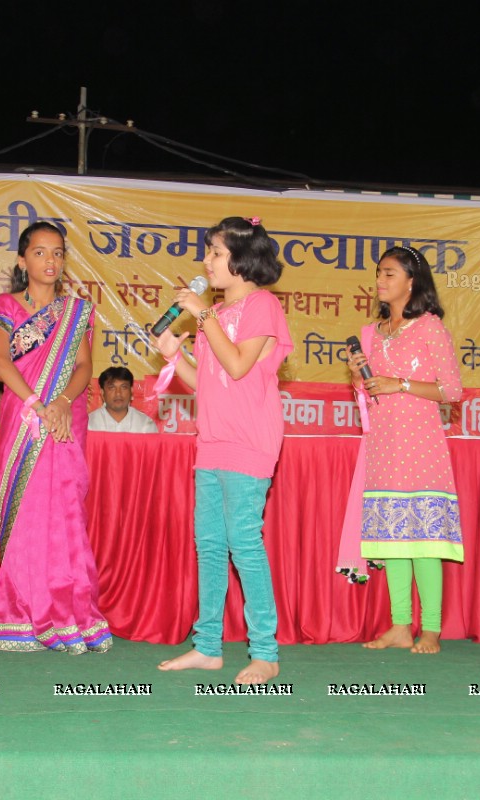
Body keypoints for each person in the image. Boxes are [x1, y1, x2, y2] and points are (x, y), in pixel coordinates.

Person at [155, 216, 293, 685]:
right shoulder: (215, 315)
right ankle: (208, 646)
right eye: (208, 252)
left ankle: (266, 652)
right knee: (210, 545)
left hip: (249, 439)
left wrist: (204, 315)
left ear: (241, 260)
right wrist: (176, 357)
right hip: (212, 438)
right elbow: (208, 384)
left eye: (215, 253)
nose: (206, 261)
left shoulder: (262, 305)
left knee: (243, 543)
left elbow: (237, 365)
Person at [0, 222, 111, 653]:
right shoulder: (6, 304)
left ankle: (71, 613)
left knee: (65, 514)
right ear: (22, 260)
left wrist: (59, 404)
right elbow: (1, 362)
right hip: (24, 417)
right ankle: (24, 615)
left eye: (57, 253)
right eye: (40, 253)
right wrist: (38, 405)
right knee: (29, 513)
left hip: (65, 417)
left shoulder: (76, 311)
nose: (50, 261)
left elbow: (83, 367)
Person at [341, 245, 463, 655]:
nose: (380, 280)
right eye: (379, 273)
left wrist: (401, 384)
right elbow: (369, 394)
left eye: (390, 274)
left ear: (413, 282)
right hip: (382, 444)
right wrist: (361, 377)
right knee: (392, 537)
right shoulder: (371, 333)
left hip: (421, 445)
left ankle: (430, 629)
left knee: (422, 537)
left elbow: (452, 390)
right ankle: (399, 625)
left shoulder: (429, 327)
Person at [88, 366, 157, 433]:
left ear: (131, 391)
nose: (118, 393)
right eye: (112, 388)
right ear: (102, 393)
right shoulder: (89, 424)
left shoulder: (145, 425)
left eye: (123, 387)